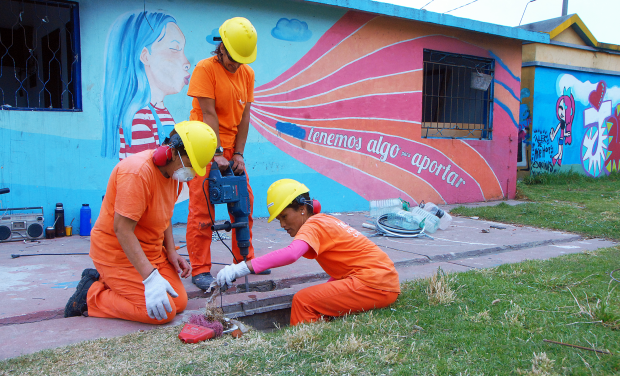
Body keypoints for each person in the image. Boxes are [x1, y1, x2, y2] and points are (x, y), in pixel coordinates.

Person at [64, 121, 217, 323]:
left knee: (179, 302)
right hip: (117, 253)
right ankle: (91, 296)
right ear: (171, 152)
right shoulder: (137, 173)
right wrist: (151, 278)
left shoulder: (173, 176)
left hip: (151, 253)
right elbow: (122, 230)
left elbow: (166, 215)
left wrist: (171, 251)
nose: (191, 174)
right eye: (190, 165)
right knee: (163, 313)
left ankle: (113, 283)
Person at [216, 179, 401, 325]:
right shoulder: (324, 220)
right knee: (314, 297)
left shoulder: (312, 225)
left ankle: (301, 350)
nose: (282, 225)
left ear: (302, 209)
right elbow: (342, 270)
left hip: (375, 283)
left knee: (303, 301)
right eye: (279, 219)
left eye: (285, 216)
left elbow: (291, 254)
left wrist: (241, 268)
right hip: (382, 281)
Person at [185, 17, 267, 290]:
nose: (236, 64)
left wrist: (238, 154)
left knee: (244, 205)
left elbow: (245, 117)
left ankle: (245, 261)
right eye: (232, 58)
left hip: (231, 150)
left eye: (241, 60)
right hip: (202, 147)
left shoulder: (247, 74)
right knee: (202, 208)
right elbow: (208, 113)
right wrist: (216, 152)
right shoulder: (205, 69)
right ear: (220, 47)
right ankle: (200, 270)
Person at [101, 11, 191, 160]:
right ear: (145, 56)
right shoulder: (140, 117)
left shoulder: (159, 111)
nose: (187, 63)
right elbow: (141, 172)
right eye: (175, 49)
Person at [550, 91, 575, 167]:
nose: (561, 112)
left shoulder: (563, 123)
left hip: (561, 139)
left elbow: (558, 131)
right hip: (560, 139)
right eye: (560, 108)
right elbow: (559, 131)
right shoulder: (562, 123)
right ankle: (555, 158)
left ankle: (559, 162)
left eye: (565, 109)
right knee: (560, 152)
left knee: (561, 152)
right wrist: (566, 134)